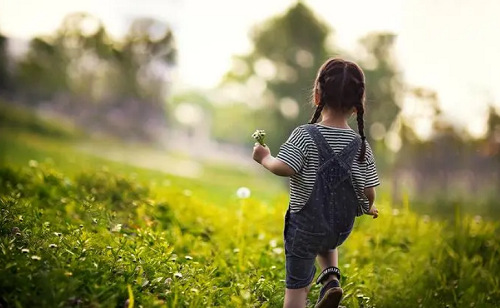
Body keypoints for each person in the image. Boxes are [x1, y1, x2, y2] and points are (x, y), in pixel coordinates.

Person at [252, 58, 380, 308]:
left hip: (305, 229)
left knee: (297, 291)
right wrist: (367, 207)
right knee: (327, 236)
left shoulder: (305, 135)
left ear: (317, 95)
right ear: (357, 104)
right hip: (339, 229)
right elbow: (368, 191)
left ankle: (302, 298)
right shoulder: (361, 145)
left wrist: (265, 158)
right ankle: (331, 278)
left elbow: (284, 167)